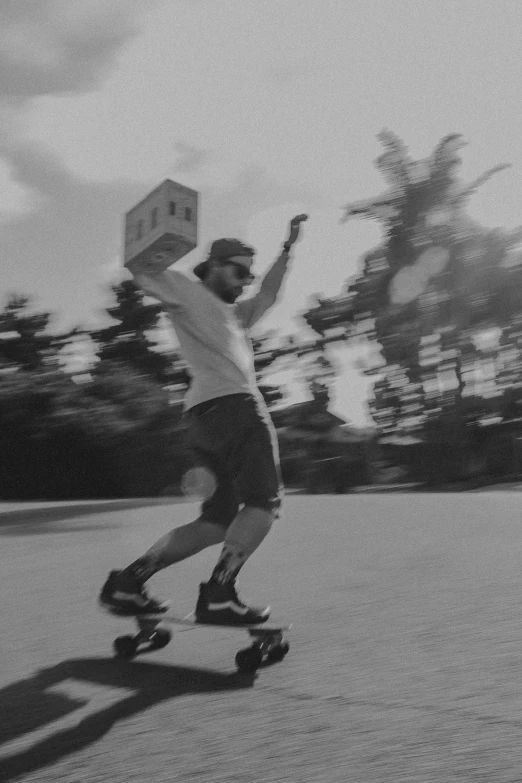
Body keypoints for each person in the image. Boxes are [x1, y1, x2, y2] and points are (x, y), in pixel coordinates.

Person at [99, 215, 307, 625]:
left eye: (249, 274)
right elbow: (143, 269)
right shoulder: (189, 293)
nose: (246, 281)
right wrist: (157, 235)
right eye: (239, 271)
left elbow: (269, 292)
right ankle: (219, 593)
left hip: (202, 418)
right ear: (213, 266)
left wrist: (287, 249)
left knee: (216, 521)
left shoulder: (237, 316)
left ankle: (129, 581)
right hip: (236, 409)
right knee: (264, 503)